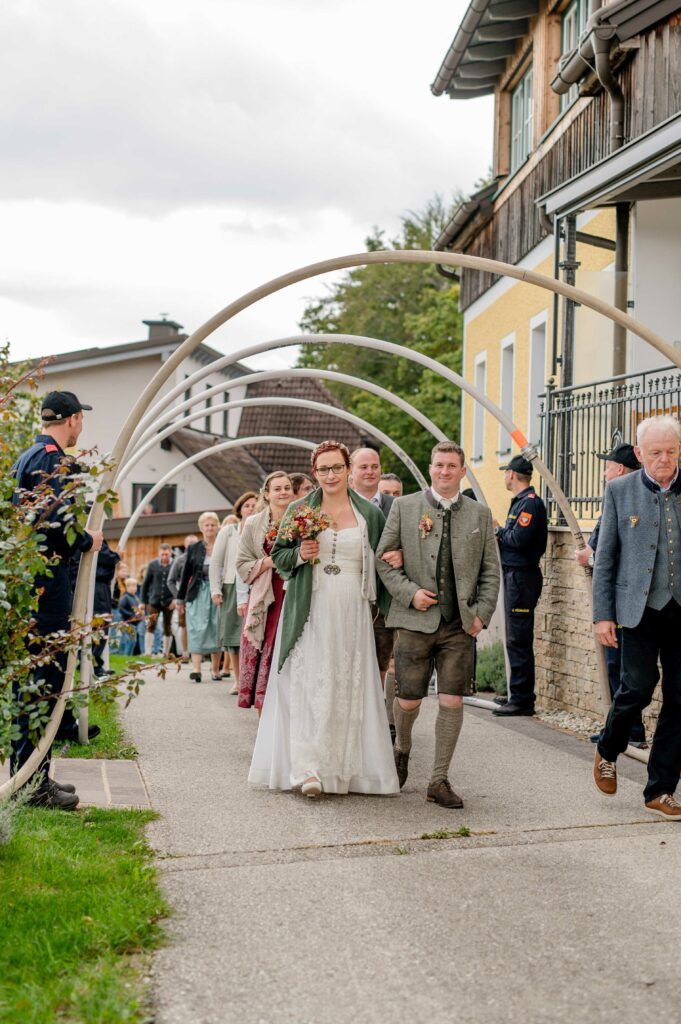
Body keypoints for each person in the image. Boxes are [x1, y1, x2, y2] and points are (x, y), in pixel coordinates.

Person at [249, 441, 399, 797]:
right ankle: (308, 768)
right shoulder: (301, 508)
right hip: (310, 603)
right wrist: (300, 553)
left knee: (344, 684)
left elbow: (381, 561)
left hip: (351, 608)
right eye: (323, 469)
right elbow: (280, 554)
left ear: (348, 469)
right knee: (307, 682)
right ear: (314, 473)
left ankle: (341, 767)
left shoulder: (369, 514)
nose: (330, 475)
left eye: (336, 467)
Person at [376, 440, 500, 808]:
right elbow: (383, 561)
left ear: (463, 471)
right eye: (439, 465)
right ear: (430, 468)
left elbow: (491, 571)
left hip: (459, 624)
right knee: (409, 699)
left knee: (452, 698)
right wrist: (410, 593)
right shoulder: (404, 506)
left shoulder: (479, 514)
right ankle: (402, 747)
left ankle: (439, 779)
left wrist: (482, 612)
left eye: (452, 466)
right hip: (414, 620)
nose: (445, 471)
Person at [10, 390, 104, 810]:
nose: (81, 424)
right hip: (46, 588)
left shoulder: (28, 456)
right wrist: (88, 540)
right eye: (80, 417)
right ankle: (31, 784)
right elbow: (51, 525)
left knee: (34, 683)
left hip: (31, 584)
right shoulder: (53, 461)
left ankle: (33, 775)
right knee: (42, 684)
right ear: (71, 420)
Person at [592, 415, 681, 819]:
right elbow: (605, 558)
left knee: (680, 699)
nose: (664, 459)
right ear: (640, 453)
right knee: (638, 687)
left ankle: (660, 789)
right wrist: (602, 616)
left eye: (671, 451)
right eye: (656, 452)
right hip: (638, 609)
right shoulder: (619, 491)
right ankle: (608, 748)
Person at [575, 443, 646, 748]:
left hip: (622, 601)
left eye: (607, 466)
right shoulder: (617, 498)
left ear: (619, 469)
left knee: (622, 667)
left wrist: (588, 559)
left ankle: (630, 731)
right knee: (618, 667)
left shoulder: (624, 501)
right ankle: (626, 728)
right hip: (616, 600)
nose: (604, 471)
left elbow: (612, 554)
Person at [492, 454, 548, 717]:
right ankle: (517, 693)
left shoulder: (529, 505)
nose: (505, 477)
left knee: (519, 638)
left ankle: (523, 699)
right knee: (514, 637)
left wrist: (497, 530)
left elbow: (519, 539)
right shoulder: (520, 503)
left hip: (522, 578)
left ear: (512, 474)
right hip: (514, 576)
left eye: (506, 473)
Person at [236, 473, 293, 712]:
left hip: (293, 592)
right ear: (266, 494)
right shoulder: (253, 523)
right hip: (265, 595)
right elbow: (241, 563)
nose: (283, 493)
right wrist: (269, 562)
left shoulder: (303, 519)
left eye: (287, 488)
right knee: (265, 652)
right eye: (277, 489)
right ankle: (263, 717)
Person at [350, 447, 396, 693]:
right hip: (346, 592)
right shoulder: (340, 504)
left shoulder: (397, 506)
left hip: (382, 597)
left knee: (380, 657)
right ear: (351, 471)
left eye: (374, 466)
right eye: (363, 467)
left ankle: (376, 720)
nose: (370, 471)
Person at [210, 491, 258, 695]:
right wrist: (215, 589)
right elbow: (216, 562)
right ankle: (239, 680)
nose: (251, 509)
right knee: (233, 637)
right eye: (247, 505)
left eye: (255, 505)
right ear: (239, 509)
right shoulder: (229, 531)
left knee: (254, 635)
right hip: (231, 585)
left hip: (256, 583)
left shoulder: (262, 527)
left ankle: (254, 680)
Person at [177, 514, 222, 682]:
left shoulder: (222, 545)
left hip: (218, 591)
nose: (209, 528)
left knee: (216, 627)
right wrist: (180, 599)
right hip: (197, 592)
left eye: (212, 525)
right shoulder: (194, 548)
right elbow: (185, 574)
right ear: (201, 527)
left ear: (217, 526)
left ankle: (215, 669)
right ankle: (196, 669)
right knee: (195, 628)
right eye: (206, 525)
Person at [140, 544, 176, 658]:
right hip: (153, 600)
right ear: (159, 553)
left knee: (167, 626)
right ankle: (148, 652)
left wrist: (176, 599)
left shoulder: (175, 564)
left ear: (170, 553)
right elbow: (145, 584)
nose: (164, 556)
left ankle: (165, 653)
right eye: (162, 554)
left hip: (169, 601)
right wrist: (142, 601)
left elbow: (180, 582)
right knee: (151, 624)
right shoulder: (152, 564)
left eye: (167, 554)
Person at [168, 534, 198, 661]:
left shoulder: (202, 558)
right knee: (184, 626)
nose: (191, 544)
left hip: (198, 598)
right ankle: (185, 653)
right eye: (189, 542)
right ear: (185, 545)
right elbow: (171, 581)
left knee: (198, 626)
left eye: (194, 542)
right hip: (184, 599)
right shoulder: (179, 560)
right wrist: (178, 596)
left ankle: (198, 652)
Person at [117, 578, 145, 655]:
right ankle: (124, 655)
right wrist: (131, 615)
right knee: (129, 640)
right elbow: (121, 608)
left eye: (135, 586)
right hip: (127, 622)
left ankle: (129, 656)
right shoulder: (125, 597)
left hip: (134, 623)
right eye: (132, 586)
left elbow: (137, 609)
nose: (134, 588)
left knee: (134, 641)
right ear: (127, 587)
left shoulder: (136, 598)